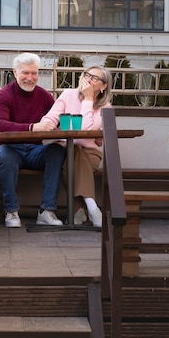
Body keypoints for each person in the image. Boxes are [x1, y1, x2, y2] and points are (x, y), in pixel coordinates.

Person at [0, 52, 67, 228]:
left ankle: (46, 211)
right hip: (6, 148)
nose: (30, 78)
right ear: (15, 73)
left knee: (56, 151)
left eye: (34, 73)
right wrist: (33, 127)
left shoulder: (44, 96)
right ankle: (11, 211)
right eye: (25, 73)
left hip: (34, 151)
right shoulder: (3, 95)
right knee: (5, 156)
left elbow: (58, 120)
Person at [40, 65, 113, 227]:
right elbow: (51, 117)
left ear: (103, 86)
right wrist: (45, 125)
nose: (88, 79)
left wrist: (87, 100)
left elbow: (85, 130)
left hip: (90, 153)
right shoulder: (68, 94)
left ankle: (79, 210)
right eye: (87, 75)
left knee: (76, 154)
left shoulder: (105, 107)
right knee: (70, 158)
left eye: (95, 78)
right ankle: (92, 207)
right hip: (67, 151)